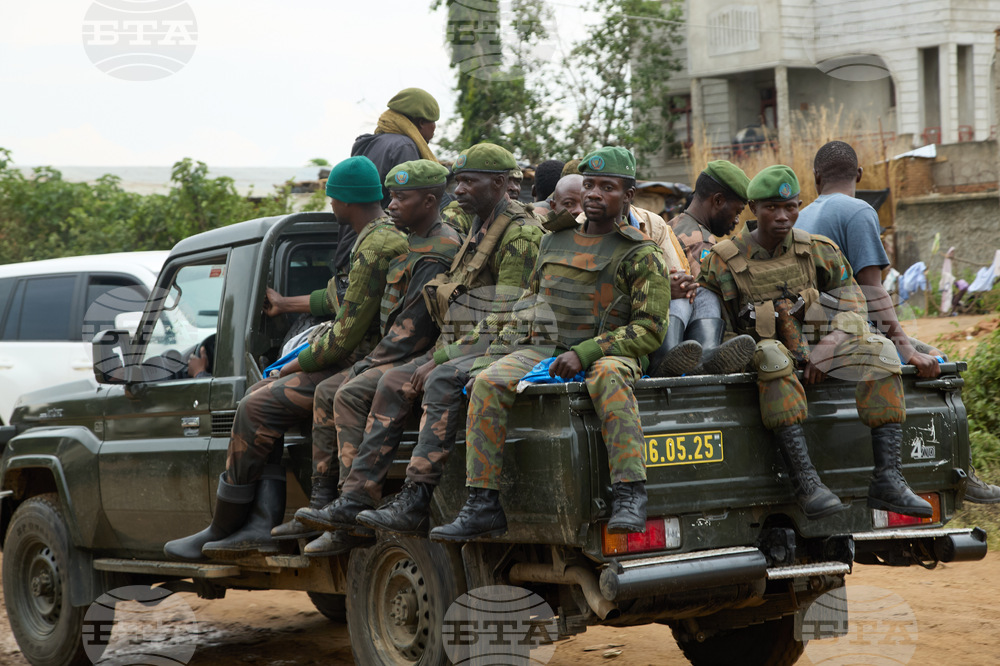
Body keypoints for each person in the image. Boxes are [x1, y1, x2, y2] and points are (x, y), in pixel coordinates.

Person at [163, 156, 408, 561]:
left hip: (359, 363)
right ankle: (257, 524)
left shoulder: (374, 246)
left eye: (333, 197)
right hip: (358, 358)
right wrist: (284, 304)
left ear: (347, 200)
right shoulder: (377, 237)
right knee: (259, 396)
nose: (331, 204)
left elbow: (342, 339)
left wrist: (289, 366)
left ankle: (229, 524)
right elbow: (338, 298)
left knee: (256, 405)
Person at [298, 143, 543, 544]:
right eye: (458, 181)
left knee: (438, 379)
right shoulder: (480, 226)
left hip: (503, 344)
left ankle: (417, 497)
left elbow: (504, 318)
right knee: (394, 380)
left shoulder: (519, 234)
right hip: (466, 341)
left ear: (500, 183)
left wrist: (440, 357)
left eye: (469, 181)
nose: (458, 190)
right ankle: (356, 498)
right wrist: (438, 353)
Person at [430, 147, 670, 540]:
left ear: (628, 195)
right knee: (488, 382)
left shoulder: (641, 253)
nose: (594, 194)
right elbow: (526, 311)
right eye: (589, 185)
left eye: (607, 187)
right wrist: (480, 360)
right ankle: (483, 504)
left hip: (610, 352)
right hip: (546, 348)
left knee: (608, 376)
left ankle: (629, 494)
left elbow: (650, 328)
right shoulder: (553, 242)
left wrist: (585, 353)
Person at [699, 165, 932, 520]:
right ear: (753, 209)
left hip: (821, 349)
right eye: (771, 208)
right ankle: (807, 483)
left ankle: (888, 479)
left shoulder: (818, 251)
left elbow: (855, 304)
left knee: (881, 350)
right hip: (765, 359)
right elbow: (720, 332)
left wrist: (829, 345)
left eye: (790, 207)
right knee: (772, 355)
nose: (782, 216)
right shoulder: (724, 260)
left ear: (800, 205)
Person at [269, 160, 463, 555]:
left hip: (422, 353)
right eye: (391, 196)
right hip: (402, 350)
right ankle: (327, 502)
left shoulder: (437, 251)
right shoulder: (412, 242)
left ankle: (354, 502)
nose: (390, 205)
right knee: (327, 391)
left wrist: (365, 364)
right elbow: (356, 302)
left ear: (429, 202)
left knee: (350, 391)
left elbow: (411, 330)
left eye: (401, 198)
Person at [796, 140, 1000, 503]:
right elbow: (873, 291)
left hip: (809, 333)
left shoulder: (800, 215)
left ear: (816, 178)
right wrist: (907, 350)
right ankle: (957, 472)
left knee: (923, 353)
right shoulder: (859, 211)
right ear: (859, 175)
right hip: (847, 332)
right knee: (940, 363)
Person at [661, 160, 757, 375]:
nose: (737, 220)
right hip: (681, 341)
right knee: (707, 293)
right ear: (718, 200)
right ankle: (705, 357)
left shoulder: (672, 224)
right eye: (737, 211)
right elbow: (698, 294)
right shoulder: (701, 241)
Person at [351, 87, 439, 208]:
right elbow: (409, 202)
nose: (434, 128)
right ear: (421, 122)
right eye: (433, 122)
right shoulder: (404, 147)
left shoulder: (369, 142)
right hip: (389, 219)